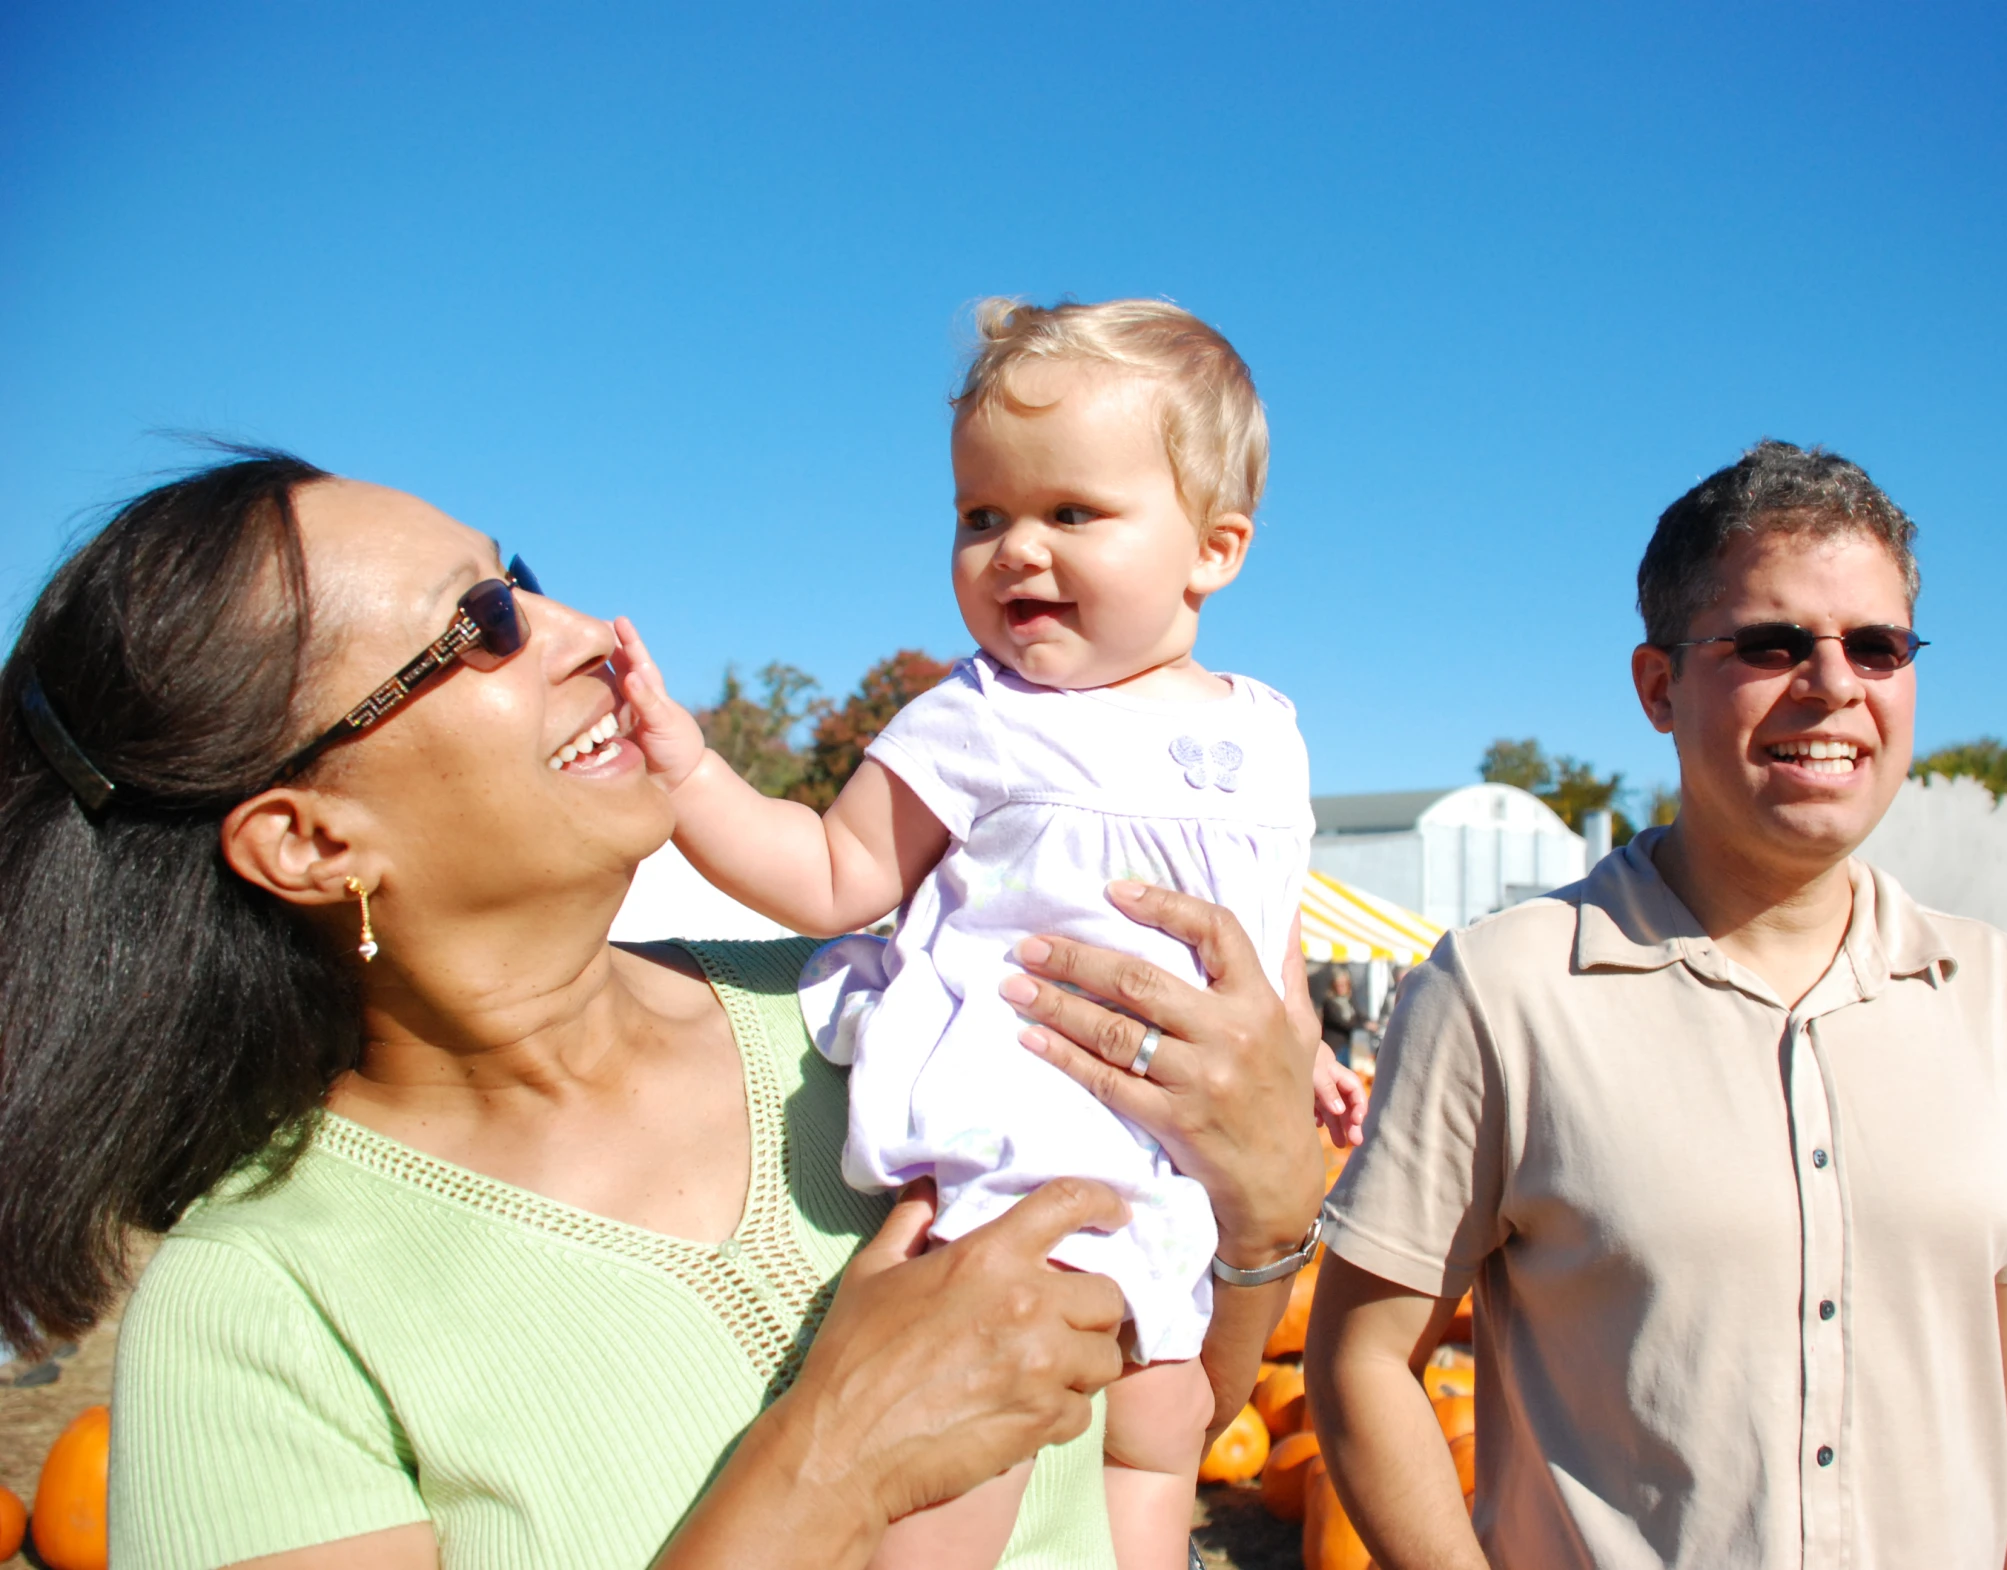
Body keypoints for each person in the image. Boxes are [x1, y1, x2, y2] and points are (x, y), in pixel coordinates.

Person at [0, 453, 1333, 1570]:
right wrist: (821, 1466)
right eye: (479, 626)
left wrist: (1266, 1218)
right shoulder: (259, 1309)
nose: (579, 626)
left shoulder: (884, 1027)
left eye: (518, 576)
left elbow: (1161, 1405)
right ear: (309, 840)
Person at [619, 297, 1365, 1570]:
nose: (1014, 549)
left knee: (1160, 1429)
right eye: (981, 517)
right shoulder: (979, 717)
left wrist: (1303, 1052)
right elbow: (832, 870)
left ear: (1213, 548)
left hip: (1185, 1166)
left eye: (1071, 513)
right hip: (1023, 1145)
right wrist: (688, 776)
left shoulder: (1268, 732)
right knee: (971, 1430)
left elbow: (1261, 929)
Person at [1306, 440, 2007, 1569]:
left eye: (1875, 646)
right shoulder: (1504, 989)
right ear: (1657, 686)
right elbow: (1359, 1359)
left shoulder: (1992, 996)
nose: (1832, 683)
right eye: (1771, 643)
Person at [1316, 965, 1367, 1068]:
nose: (1341, 988)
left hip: (1346, 1045)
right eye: (1338, 985)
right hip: (1334, 1046)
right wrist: (1363, 1025)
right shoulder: (1330, 1003)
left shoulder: (1349, 1001)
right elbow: (1343, 1023)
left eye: (1344, 985)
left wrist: (1367, 1021)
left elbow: (1359, 1015)